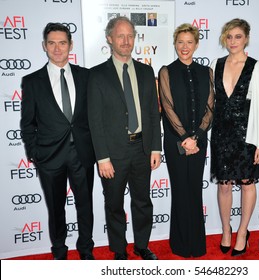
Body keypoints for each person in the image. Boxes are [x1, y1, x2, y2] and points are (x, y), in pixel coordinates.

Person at [87, 16, 161, 260]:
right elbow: (94, 121)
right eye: (120, 36)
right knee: (114, 205)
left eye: (130, 35)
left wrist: (155, 148)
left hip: (142, 148)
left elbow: (152, 112)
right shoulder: (97, 75)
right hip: (113, 154)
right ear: (110, 39)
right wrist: (102, 158)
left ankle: (142, 245)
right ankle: (120, 249)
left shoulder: (146, 71)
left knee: (143, 202)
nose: (126, 41)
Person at [20, 23, 95, 260]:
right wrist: (35, 153)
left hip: (82, 153)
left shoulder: (86, 76)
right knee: (56, 208)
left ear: (71, 45)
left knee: (85, 206)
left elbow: (95, 115)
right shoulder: (32, 81)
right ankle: (60, 252)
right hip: (49, 157)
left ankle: (86, 249)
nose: (57, 48)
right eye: (51, 43)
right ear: (44, 46)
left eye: (62, 42)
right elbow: (27, 123)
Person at [210, 18, 259, 257]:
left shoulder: (256, 67)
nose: (233, 41)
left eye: (238, 36)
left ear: (246, 38)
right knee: (224, 185)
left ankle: (242, 232)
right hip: (221, 135)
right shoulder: (216, 63)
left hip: (247, 135)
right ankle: (226, 230)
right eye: (229, 36)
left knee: (248, 184)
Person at [158, 23, 214, 257]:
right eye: (180, 42)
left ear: (197, 44)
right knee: (180, 190)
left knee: (194, 190)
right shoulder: (166, 71)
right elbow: (168, 108)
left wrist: (197, 137)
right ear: (175, 44)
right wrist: (185, 138)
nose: (184, 46)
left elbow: (210, 108)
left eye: (189, 42)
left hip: (199, 142)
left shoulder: (206, 72)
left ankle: (196, 244)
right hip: (175, 143)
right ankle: (180, 244)